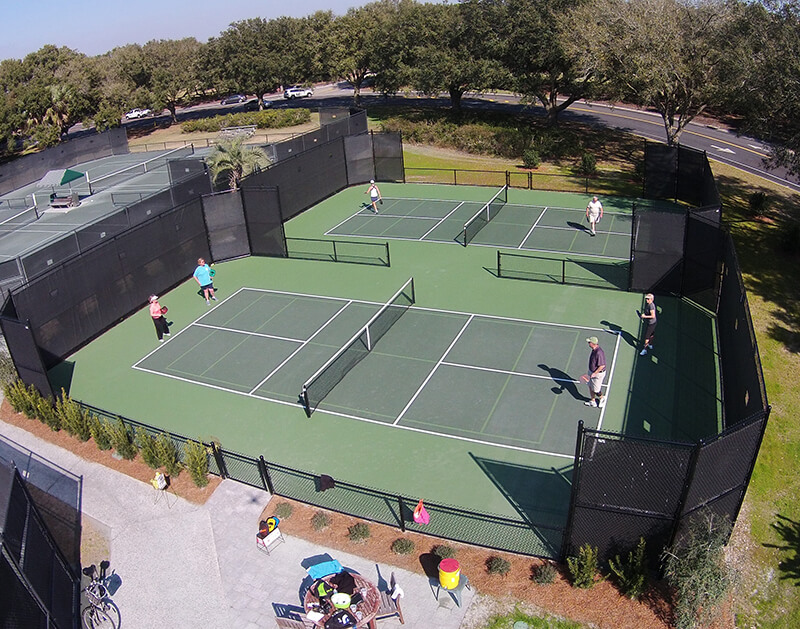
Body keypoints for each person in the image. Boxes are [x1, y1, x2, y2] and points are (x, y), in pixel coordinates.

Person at [584, 336, 606, 408]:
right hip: (592, 372)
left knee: (596, 390)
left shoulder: (599, 352)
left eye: (589, 342)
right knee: (590, 386)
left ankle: (602, 398)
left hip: (597, 374)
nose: (588, 343)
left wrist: (595, 373)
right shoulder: (594, 349)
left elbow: (602, 365)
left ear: (593, 343)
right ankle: (593, 401)